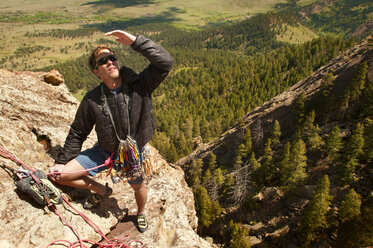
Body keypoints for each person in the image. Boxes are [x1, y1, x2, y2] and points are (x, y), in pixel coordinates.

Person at [49, 30, 174, 233]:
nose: (109, 62)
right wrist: (61, 162)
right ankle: (100, 189)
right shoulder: (92, 99)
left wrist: (136, 41)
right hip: (105, 151)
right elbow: (78, 132)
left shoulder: (139, 86)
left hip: (133, 153)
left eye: (112, 57)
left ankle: (141, 212)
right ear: (96, 72)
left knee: (138, 185)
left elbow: (165, 63)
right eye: (103, 61)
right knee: (60, 175)